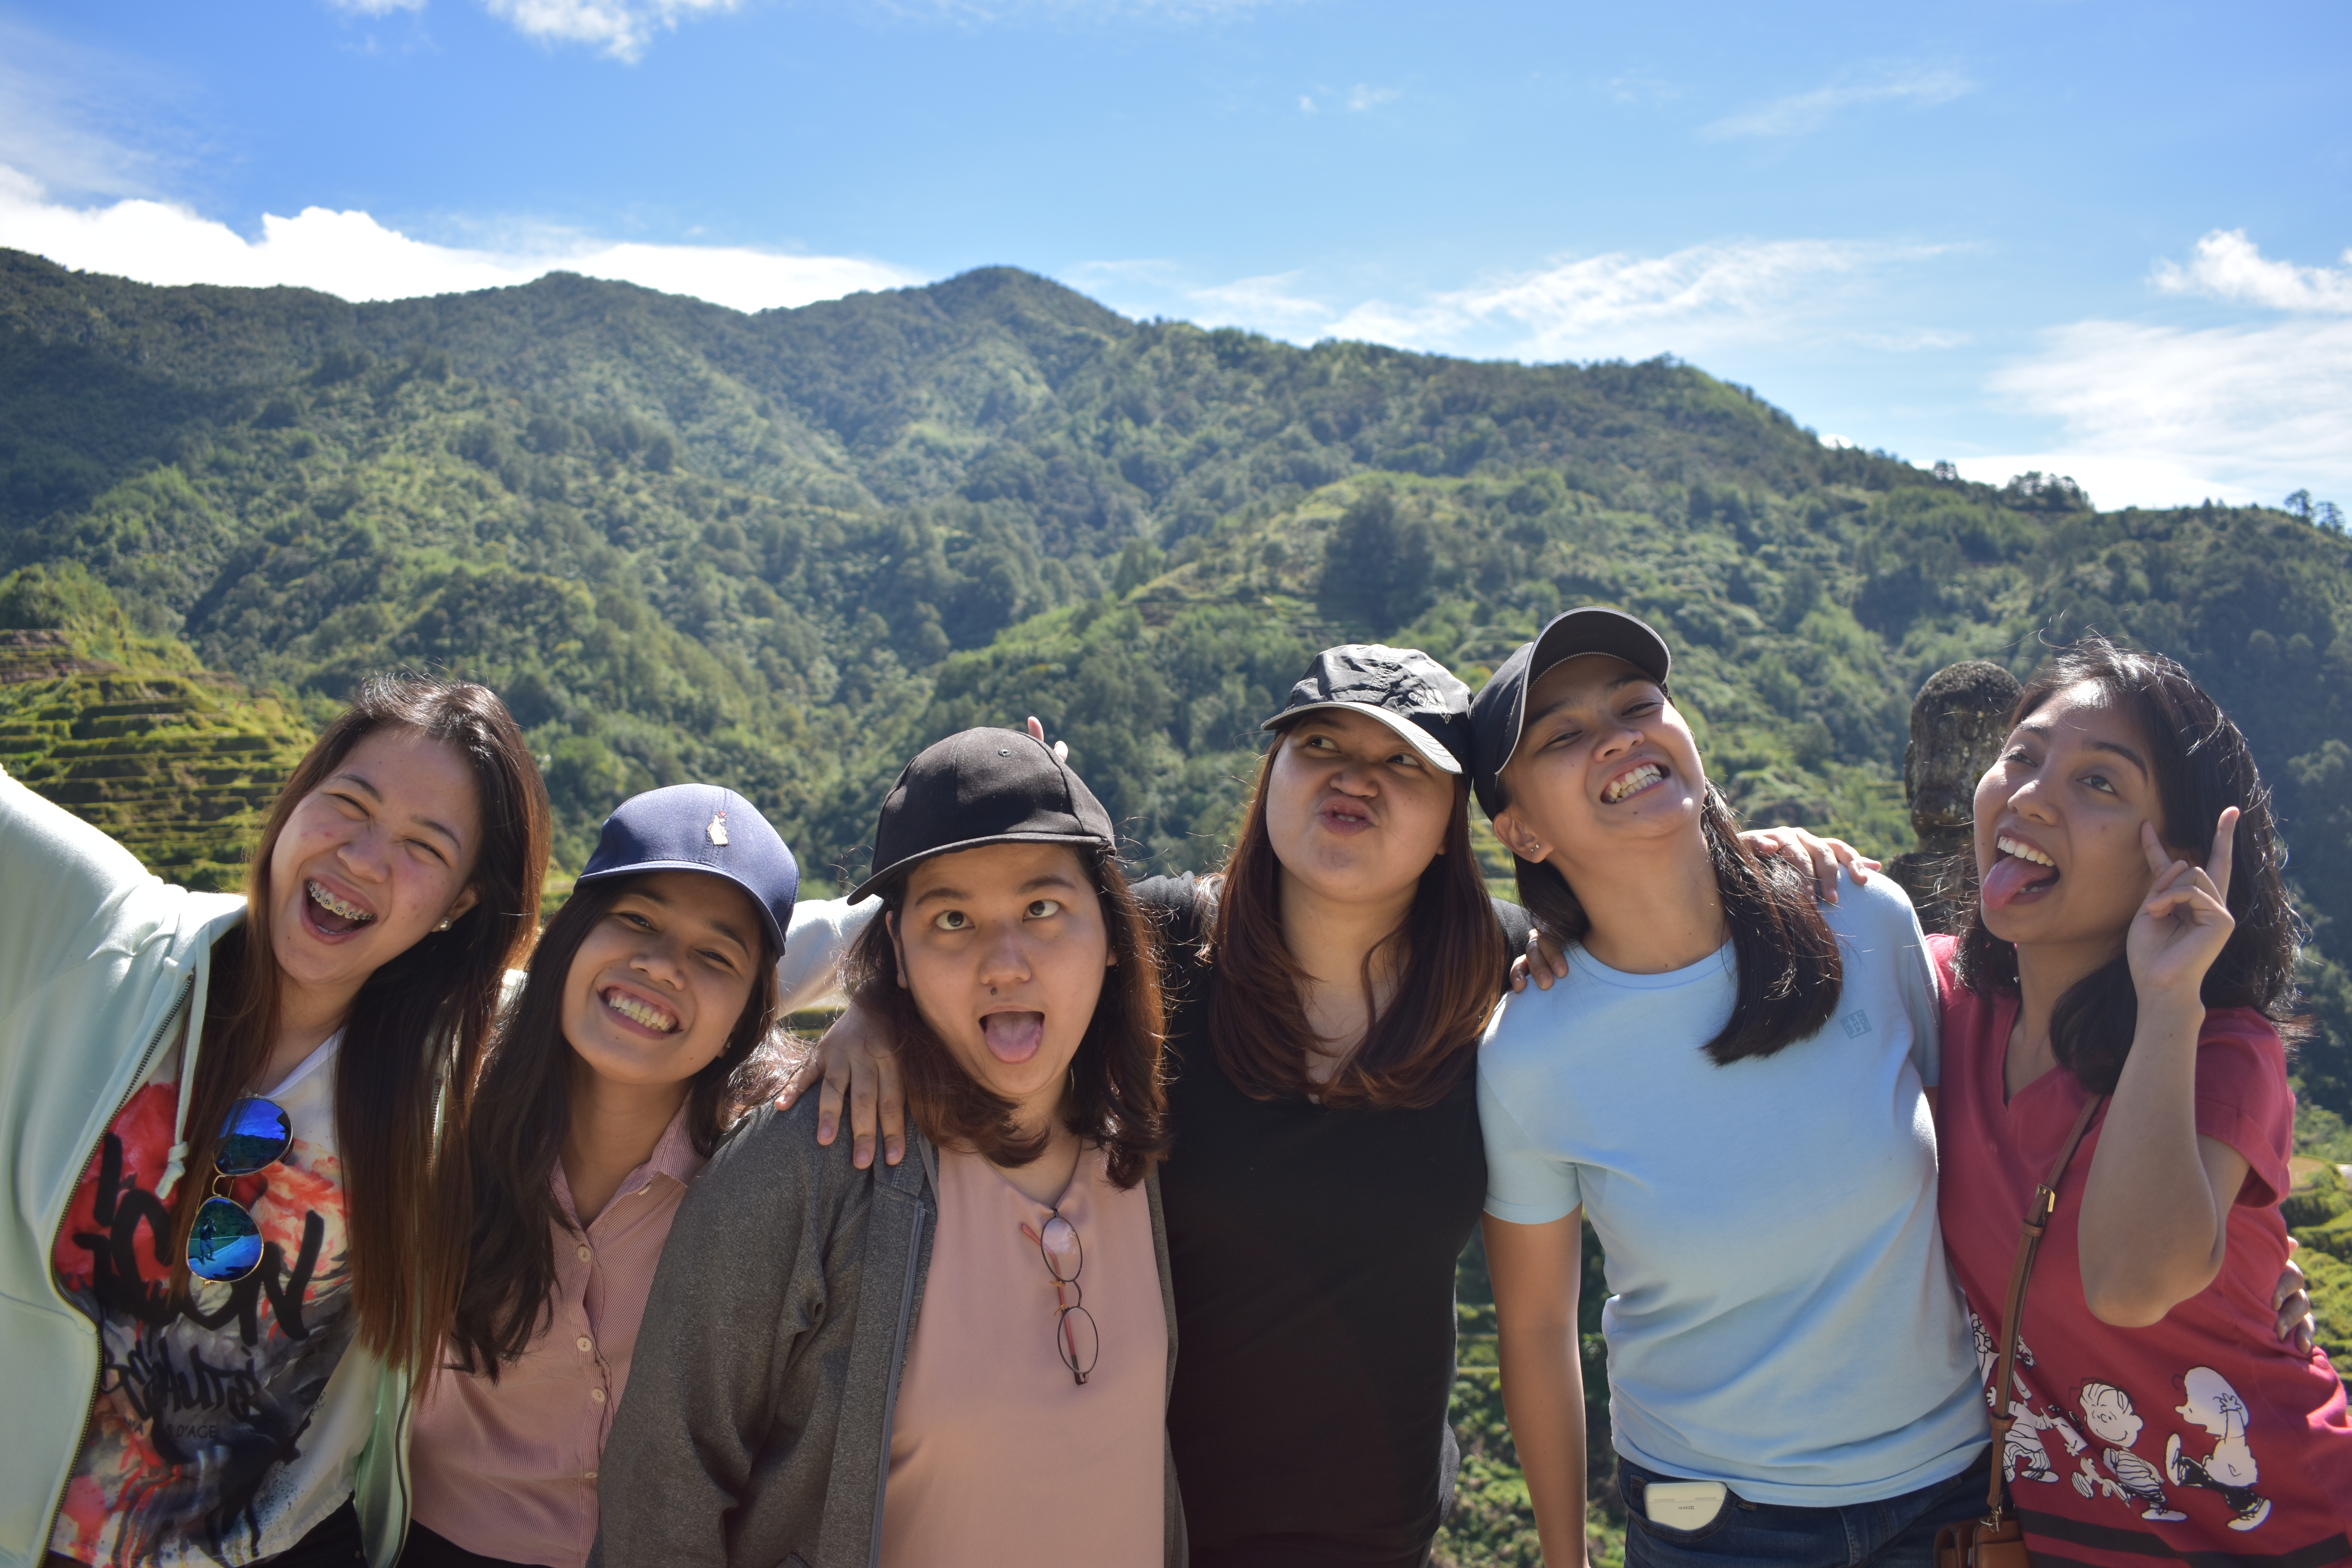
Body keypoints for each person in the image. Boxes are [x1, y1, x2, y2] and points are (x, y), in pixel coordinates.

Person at [783, 644, 1872, 1568]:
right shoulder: (1169, 946)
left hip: (1389, 1536)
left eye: (1404, 762)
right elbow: (980, 930)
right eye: (1321, 745)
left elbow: (1650, 902)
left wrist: (1762, 857)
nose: (1356, 778)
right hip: (1162, 1528)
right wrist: (878, 1006)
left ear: (1453, 820)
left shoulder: (1501, 974)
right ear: (1274, 775)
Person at [1472, 608, 1990, 1568]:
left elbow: (1985, 1154)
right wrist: (1563, 1555)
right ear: (1522, 830)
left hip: (1955, 1489)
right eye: (1564, 735)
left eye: (1638, 705)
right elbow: (1539, 1327)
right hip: (1715, 1519)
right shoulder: (1529, 1055)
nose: (1618, 737)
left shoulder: (1863, 917)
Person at [592, 728, 1181, 1568]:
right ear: (898, 955)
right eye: (952, 920)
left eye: (1043, 909)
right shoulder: (811, 1162)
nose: (1004, 963)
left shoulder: (1146, 1143)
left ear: (1113, 931)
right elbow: (664, 1487)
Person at [6, 675, 549, 1568]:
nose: (364, 858)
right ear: (296, 800)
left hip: (284, 1546)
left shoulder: (460, 1061)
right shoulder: (113, 941)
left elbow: (672, 972)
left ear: (460, 904)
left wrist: (835, 1024)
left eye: (423, 846)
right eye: (350, 805)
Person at [1931, 636, 2352, 1559]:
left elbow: (2129, 1285)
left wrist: (2167, 996)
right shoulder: (1937, 998)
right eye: (2023, 755)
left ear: (2179, 860)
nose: (2033, 795)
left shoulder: (2219, 1051)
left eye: (2100, 782)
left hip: (2287, 1534)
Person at [399, 786, 810, 1568]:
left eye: (715, 956)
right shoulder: (443, 1112)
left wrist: (873, 1023)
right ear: (572, 936)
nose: (661, 966)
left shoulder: (775, 1163)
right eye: (638, 921)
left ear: (748, 1012)